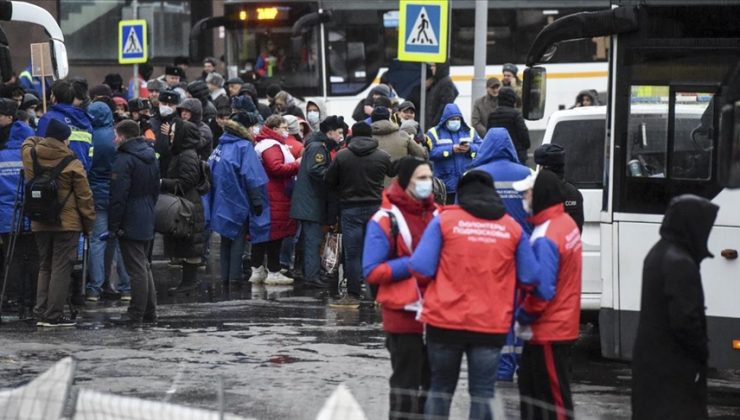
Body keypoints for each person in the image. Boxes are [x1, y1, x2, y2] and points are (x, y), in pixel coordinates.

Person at [409, 170, 539, 420]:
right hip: (489, 324)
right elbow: (531, 277)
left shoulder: (444, 221)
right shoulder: (510, 227)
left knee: (440, 389)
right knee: (482, 393)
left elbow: (421, 267)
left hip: (444, 321)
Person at [363, 156, 437, 419]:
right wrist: (412, 265)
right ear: (405, 182)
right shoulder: (384, 219)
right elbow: (371, 271)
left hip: (437, 311)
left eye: (429, 177)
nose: (428, 183)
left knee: (434, 382)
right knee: (405, 382)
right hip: (402, 312)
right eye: (421, 178)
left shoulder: (437, 214)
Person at [631, 195, 718, 420]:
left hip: (654, 367)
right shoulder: (680, 262)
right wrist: (702, 354)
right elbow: (686, 320)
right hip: (674, 370)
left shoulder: (660, 252)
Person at [510, 169, 582, 420]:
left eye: (527, 193)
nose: (524, 198)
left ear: (540, 195)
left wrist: (522, 318)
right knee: (543, 395)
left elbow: (542, 290)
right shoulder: (566, 223)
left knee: (552, 401)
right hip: (560, 325)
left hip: (547, 330)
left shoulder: (545, 236)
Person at [468, 127, 533, 381]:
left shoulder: (474, 175)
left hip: (486, 251)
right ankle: (519, 361)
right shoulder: (527, 173)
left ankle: (500, 366)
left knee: (492, 309)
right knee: (518, 307)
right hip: (520, 250)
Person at [22, 119, 95, 327]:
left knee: (44, 266)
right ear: (65, 139)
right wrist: (88, 225)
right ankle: (53, 315)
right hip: (67, 223)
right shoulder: (72, 162)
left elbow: (26, 142)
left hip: (39, 220)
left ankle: (41, 310)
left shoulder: (31, 155)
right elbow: (85, 198)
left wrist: (41, 139)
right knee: (61, 268)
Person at [325, 122, 391, 304]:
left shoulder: (342, 156)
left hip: (350, 209)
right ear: (371, 136)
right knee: (376, 251)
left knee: (352, 254)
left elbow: (329, 179)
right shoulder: (382, 156)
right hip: (375, 209)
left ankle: (353, 294)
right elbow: (392, 171)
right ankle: (376, 295)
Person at [108, 120, 160, 325]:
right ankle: (149, 311)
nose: (114, 139)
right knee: (144, 265)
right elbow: (156, 188)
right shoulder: (150, 156)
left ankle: (136, 312)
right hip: (146, 213)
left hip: (130, 217)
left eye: (116, 135)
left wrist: (114, 226)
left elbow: (118, 196)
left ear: (122, 137)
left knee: (137, 267)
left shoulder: (123, 160)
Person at [208, 112, 267, 287]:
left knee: (226, 240)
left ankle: (225, 278)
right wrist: (257, 202)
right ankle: (234, 279)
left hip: (220, 201)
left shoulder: (220, 145)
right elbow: (252, 176)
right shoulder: (243, 146)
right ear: (245, 128)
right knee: (237, 241)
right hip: (239, 201)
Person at [290, 116, 344, 288]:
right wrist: (334, 174)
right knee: (313, 240)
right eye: (339, 132)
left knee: (309, 239)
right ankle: (311, 276)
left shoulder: (317, 146)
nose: (340, 136)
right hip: (310, 202)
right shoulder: (317, 148)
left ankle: (308, 272)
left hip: (309, 202)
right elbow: (316, 170)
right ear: (329, 133)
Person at [85, 102, 131, 302]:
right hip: (117, 194)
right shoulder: (116, 136)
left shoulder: (90, 138)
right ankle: (126, 286)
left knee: (97, 240)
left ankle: (94, 287)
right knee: (120, 239)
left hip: (96, 193)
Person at [249, 115, 301, 285]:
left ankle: (257, 269)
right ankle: (273, 271)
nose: (287, 131)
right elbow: (276, 168)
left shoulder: (264, 143)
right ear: (274, 128)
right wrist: (298, 164)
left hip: (269, 194)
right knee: (274, 235)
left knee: (262, 233)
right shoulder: (271, 145)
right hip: (274, 196)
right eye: (284, 127)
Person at [160, 119, 207, 294]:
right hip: (185, 202)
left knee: (190, 244)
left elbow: (187, 181)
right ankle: (187, 282)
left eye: (173, 132)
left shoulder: (187, 154)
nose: (170, 135)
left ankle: (189, 282)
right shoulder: (181, 152)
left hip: (188, 204)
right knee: (186, 243)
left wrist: (163, 183)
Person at [0, 111, 37, 316]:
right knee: (32, 257)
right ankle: (30, 297)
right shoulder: (31, 156)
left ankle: (11, 297)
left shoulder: (1, 155)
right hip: (30, 213)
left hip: (6, 215)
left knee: (10, 257)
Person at [426, 103, 482, 204]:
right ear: (445, 120)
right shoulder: (434, 133)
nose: (455, 121)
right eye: (452, 119)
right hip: (444, 185)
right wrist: (450, 149)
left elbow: (481, 148)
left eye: (457, 119)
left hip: (466, 184)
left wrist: (470, 149)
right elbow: (430, 153)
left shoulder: (470, 131)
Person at [36, 79, 94, 171]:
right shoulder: (85, 119)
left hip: (56, 175)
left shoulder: (48, 119)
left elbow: (41, 149)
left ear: (54, 97)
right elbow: (90, 153)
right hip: (80, 173)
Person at [534, 144, 584, 232]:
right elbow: (577, 229)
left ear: (543, 168)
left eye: (539, 166)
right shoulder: (574, 193)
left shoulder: (539, 193)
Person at [370, 106, 426, 186]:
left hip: (373, 189)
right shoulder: (402, 135)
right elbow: (421, 154)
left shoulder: (367, 138)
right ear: (388, 118)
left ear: (372, 119)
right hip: (398, 188)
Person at [487, 86, 530, 165]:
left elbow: (489, 136)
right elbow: (524, 135)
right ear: (512, 99)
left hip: (498, 155)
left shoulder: (492, 115)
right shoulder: (516, 115)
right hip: (517, 154)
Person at [151, 90, 181, 175]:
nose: (166, 107)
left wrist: (173, 133)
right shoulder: (151, 121)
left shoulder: (180, 123)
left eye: (171, 105)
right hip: (153, 164)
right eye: (164, 104)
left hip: (172, 166)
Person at [425, 62, 458, 128]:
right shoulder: (438, 82)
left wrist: (434, 123)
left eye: (434, 66)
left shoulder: (445, 83)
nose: (431, 68)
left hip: (437, 126)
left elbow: (444, 106)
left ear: (439, 68)